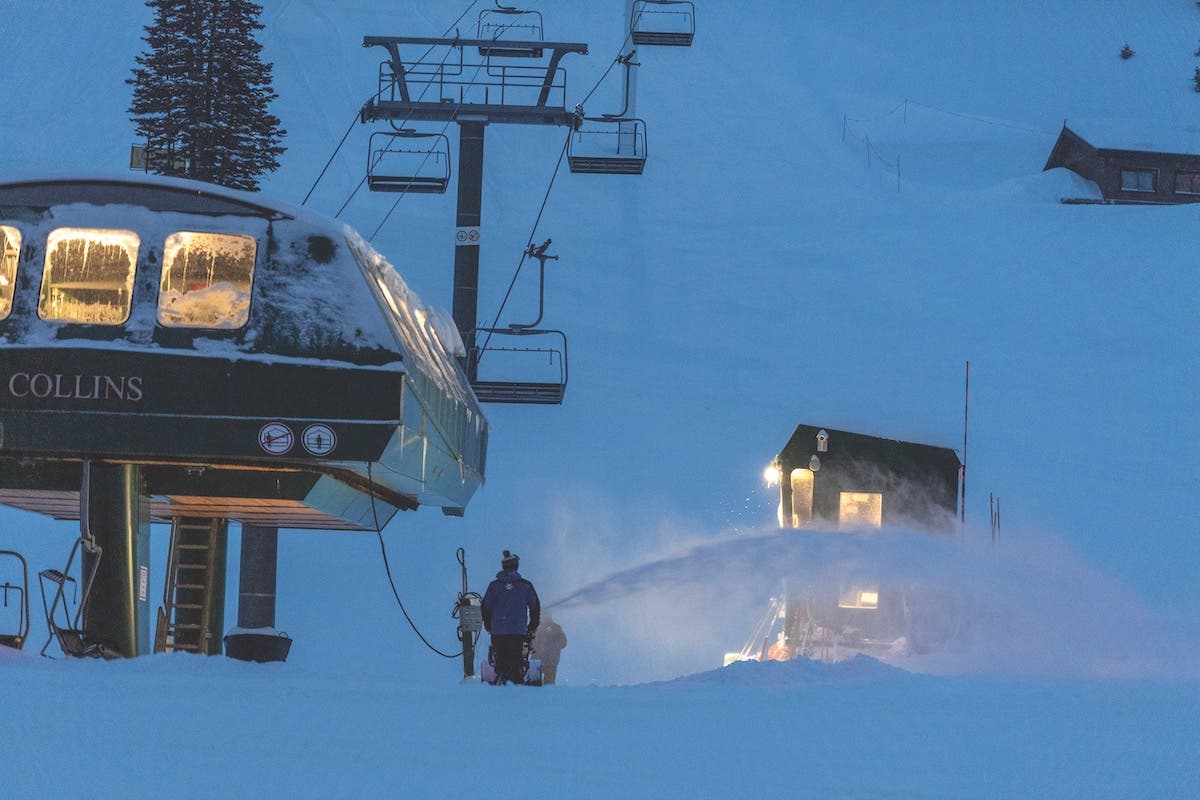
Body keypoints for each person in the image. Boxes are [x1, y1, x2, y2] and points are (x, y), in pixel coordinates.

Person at [481, 550, 540, 685]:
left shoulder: (494, 586)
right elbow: (535, 607)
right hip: (517, 632)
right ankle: (515, 686)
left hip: (498, 631)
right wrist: (532, 627)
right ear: (516, 566)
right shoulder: (525, 586)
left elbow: (485, 607)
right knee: (516, 660)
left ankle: (500, 682)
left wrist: (489, 625)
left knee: (500, 659)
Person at [530, 610, 567, 685]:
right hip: (544, 661)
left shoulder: (555, 628)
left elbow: (563, 642)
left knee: (536, 685)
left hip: (545, 661)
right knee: (539, 685)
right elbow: (563, 643)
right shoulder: (536, 627)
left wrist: (552, 646)